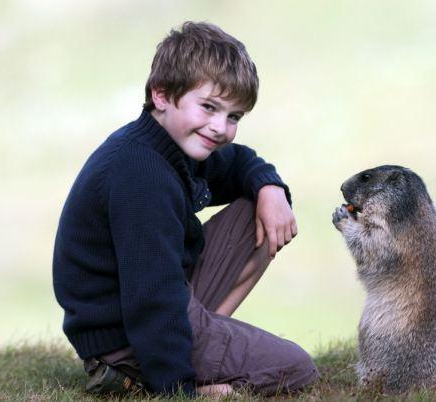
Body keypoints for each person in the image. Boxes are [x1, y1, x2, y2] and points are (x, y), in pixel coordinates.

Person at [52, 21, 320, 397]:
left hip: (161, 301)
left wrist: (270, 186)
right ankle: (164, 375)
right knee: (295, 368)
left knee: (252, 210)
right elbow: (153, 296)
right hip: (125, 336)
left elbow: (237, 163)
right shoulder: (141, 175)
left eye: (233, 117)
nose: (220, 128)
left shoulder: (174, 144)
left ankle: (201, 343)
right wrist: (178, 389)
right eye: (209, 107)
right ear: (161, 95)